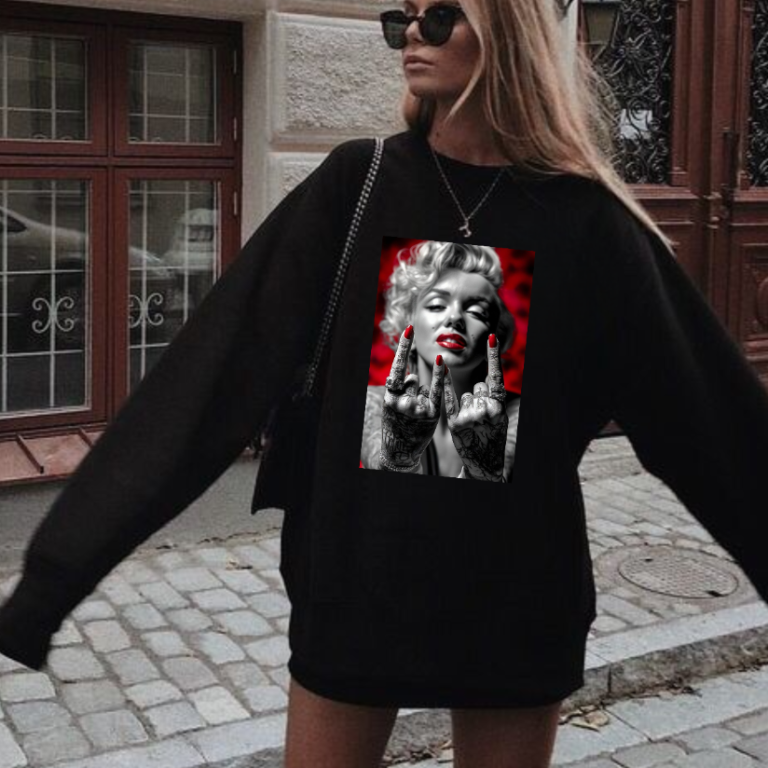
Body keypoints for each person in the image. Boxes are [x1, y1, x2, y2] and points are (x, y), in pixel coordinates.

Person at [2, 2, 768, 768]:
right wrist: (55, 577)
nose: (410, 36)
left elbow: (707, 420)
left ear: (508, 33)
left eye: (439, 17)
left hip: (512, 599)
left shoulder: (586, 221)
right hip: (357, 588)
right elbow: (210, 377)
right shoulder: (360, 184)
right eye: (402, 18)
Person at [362, 240, 522, 481]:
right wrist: (398, 456)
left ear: (495, 334)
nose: (455, 317)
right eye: (437, 305)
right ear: (408, 322)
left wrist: (482, 469)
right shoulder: (372, 402)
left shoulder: (517, 411)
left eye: (477, 312)